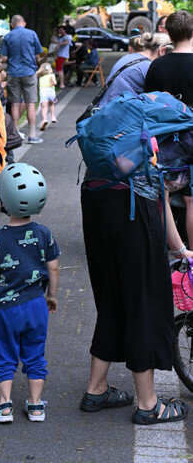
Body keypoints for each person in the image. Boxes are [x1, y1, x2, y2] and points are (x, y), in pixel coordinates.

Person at [80, 122, 191, 425]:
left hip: (95, 200)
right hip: (132, 211)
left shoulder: (132, 125)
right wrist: (181, 249)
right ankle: (148, 404)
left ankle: (96, 389)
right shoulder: (175, 137)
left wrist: (179, 249)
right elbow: (162, 198)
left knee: (113, 296)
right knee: (145, 302)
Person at [0, 163, 60, 423]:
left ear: (3, 199)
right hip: (36, 306)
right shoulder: (44, 233)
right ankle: (36, 406)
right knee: (35, 354)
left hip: (5, 310)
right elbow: (54, 267)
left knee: (5, 353)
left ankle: (4, 406)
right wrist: (52, 296)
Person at [144, 11, 193, 250]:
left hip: (163, 142)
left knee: (162, 197)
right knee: (192, 201)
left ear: (168, 34)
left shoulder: (157, 66)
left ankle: (174, 253)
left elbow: (148, 103)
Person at [0, 14, 43, 145]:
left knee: (14, 104)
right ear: (23, 23)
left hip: (13, 73)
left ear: (12, 25)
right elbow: (37, 54)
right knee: (30, 104)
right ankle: (32, 135)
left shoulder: (8, 36)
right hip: (29, 72)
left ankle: (15, 134)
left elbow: (5, 58)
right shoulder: (32, 34)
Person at [97, 31, 170, 108]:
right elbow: (160, 98)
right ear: (162, 51)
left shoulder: (128, 57)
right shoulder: (149, 66)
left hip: (104, 109)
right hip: (119, 113)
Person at [37, 62, 57, 130]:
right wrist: (52, 83)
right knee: (51, 104)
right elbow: (55, 82)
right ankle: (53, 116)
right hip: (51, 91)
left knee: (44, 108)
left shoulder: (40, 77)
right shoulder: (51, 75)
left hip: (43, 92)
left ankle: (44, 119)